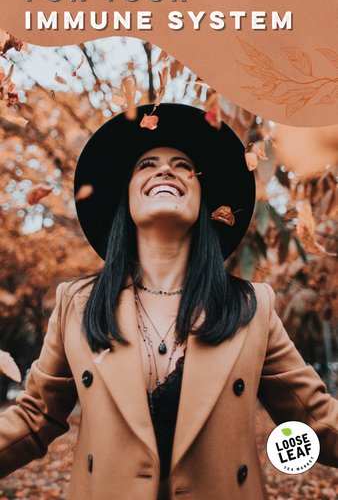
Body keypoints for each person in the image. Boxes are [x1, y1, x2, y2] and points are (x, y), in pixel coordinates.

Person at [1, 103, 338, 500]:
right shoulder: (77, 303)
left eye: (182, 165)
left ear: (204, 200)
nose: (165, 170)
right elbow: (35, 417)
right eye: (147, 164)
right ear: (125, 196)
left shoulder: (252, 306)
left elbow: (316, 418)